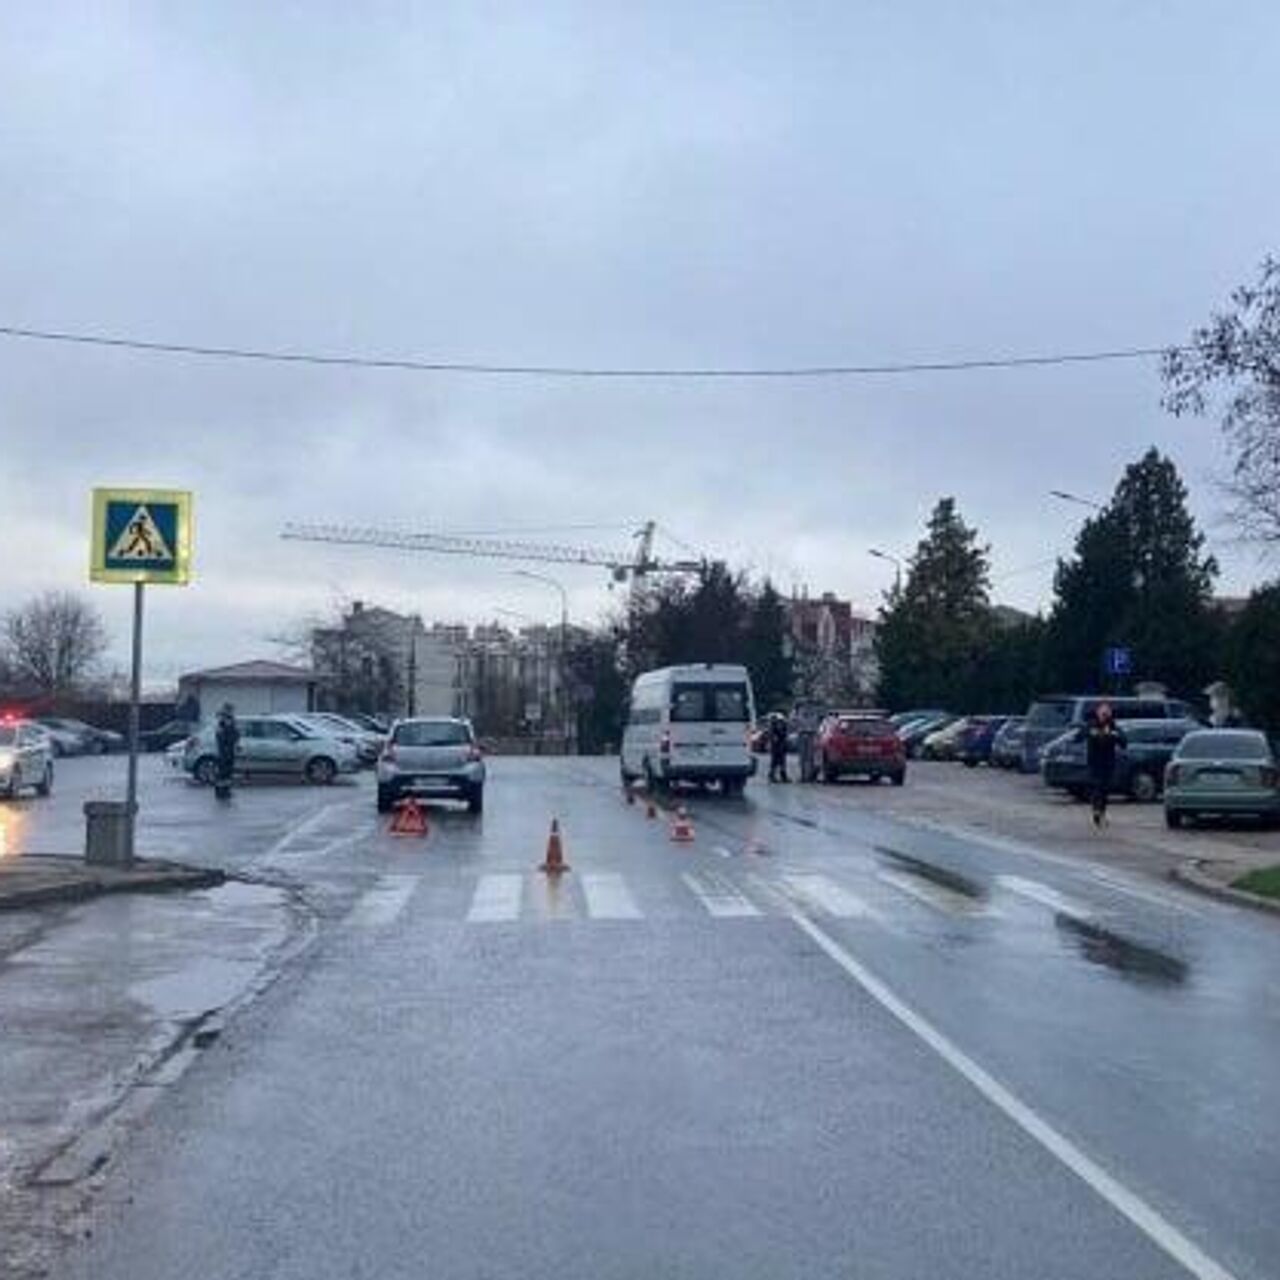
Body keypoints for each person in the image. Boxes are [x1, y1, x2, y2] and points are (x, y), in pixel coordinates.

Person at [1082, 702, 1126, 827]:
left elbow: (1124, 742)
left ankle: (1102, 813)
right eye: (1103, 713)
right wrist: (1093, 734)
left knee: (1105, 790)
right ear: (1098, 713)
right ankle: (1096, 812)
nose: (1105, 716)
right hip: (1095, 763)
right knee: (1097, 788)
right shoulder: (1092, 724)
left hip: (1108, 763)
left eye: (1107, 713)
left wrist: (1114, 735)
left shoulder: (1112, 726)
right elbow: (1081, 735)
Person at [214, 703, 239, 798]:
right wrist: (229, 730)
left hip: (229, 751)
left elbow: (235, 734)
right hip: (223, 752)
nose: (232, 711)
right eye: (231, 709)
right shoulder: (222, 723)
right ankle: (220, 792)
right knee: (222, 773)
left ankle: (226, 791)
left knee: (228, 773)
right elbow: (221, 738)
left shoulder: (231, 721)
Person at [794, 702, 822, 783]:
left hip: (811, 735)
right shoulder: (799, 714)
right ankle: (803, 776)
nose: (807, 708)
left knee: (810, 757)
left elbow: (816, 724)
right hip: (802, 734)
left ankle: (810, 776)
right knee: (803, 757)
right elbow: (794, 722)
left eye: (809, 706)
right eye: (805, 706)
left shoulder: (813, 714)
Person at [767, 711, 790, 783]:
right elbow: (773, 737)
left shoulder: (783, 726)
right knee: (775, 761)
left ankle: (782, 775)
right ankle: (772, 775)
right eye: (779, 723)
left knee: (782, 761)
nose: (780, 724)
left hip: (781, 745)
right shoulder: (773, 728)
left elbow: (785, 735)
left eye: (781, 723)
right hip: (776, 746)